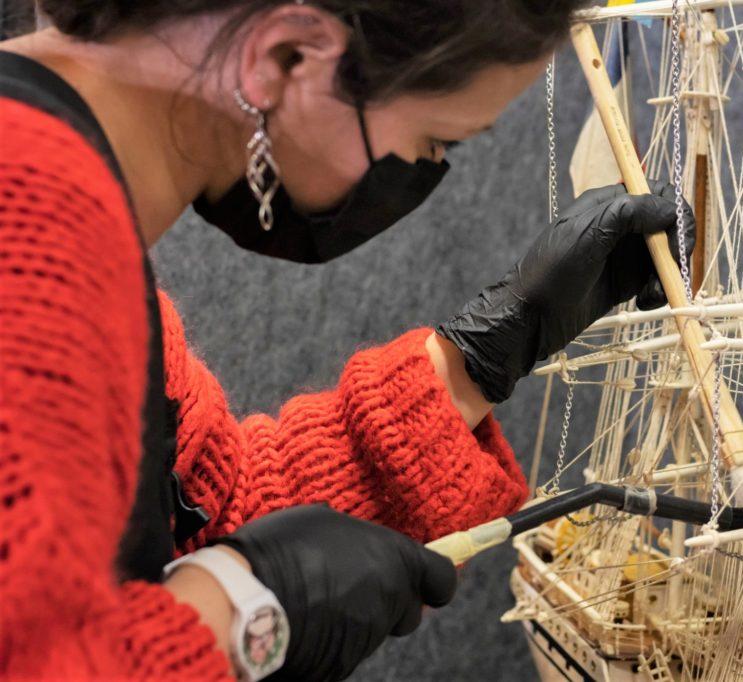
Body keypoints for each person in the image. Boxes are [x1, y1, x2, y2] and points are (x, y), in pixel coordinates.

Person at [0, 1, 694, 680]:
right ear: (286, 58)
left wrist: (481, 357)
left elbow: (208, 514)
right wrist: (245, 611)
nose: (425, 170)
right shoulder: (31, 249)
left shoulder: (59, 201)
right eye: (435, 142)